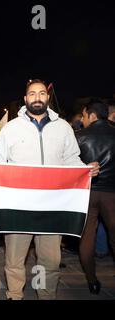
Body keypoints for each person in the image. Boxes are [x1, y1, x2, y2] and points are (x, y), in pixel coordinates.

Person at [0, 79, 99, 300]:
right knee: (15, 259)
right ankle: (15, 295)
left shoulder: (64, 127)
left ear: (47, 98)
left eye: (41, 94)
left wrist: (86, 169)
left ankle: (44, 294)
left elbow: (72, 159)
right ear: (26, 98)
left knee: (48, 260)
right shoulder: (11, 128)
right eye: (32, 94)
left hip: (52, 206)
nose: (37, 97)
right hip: (19, 205)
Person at [76, 100, 115, 294]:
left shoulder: (80, 137)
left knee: (87, 238)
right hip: (112, 194)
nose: (82, 120)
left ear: (92, 115)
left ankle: (92, 281)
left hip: (87, 193)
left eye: (83, 116)